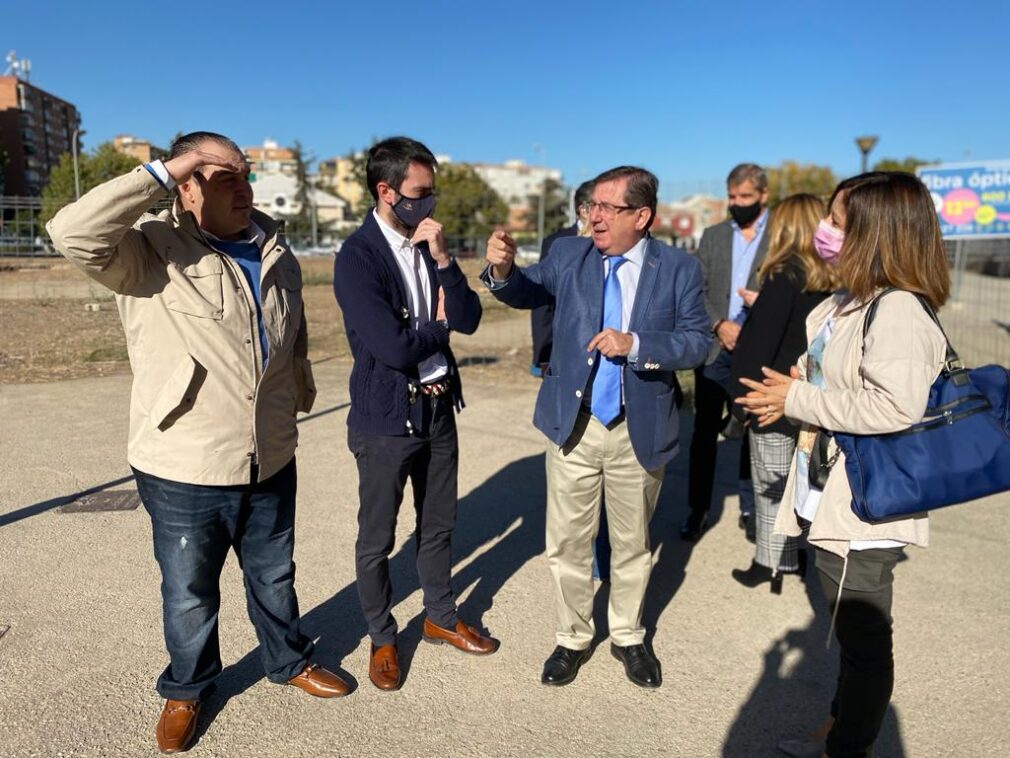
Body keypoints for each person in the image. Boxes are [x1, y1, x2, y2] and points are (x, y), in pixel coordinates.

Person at [46, 132, 348, 754]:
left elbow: (291, 343)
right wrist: (165, 170)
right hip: (185, 460)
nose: (243, 187)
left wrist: (294, 406)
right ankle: (187, 689)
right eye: (222, 176)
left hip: (270, 454)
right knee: (189, 591)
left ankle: (288, 660)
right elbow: (70, 232)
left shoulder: (275, 249)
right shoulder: (150, 249)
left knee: (274, 575)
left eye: (245, 175)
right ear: (183, 183)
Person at [736, 172, 950, 758]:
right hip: (827, 486)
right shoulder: (849, 300)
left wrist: (795, 398)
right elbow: (836, 374)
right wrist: (799, 380)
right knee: (844, 630)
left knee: (862, 642)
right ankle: (837, 727)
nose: (824, 231)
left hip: (867, 501)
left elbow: (895, 406)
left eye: (837, 220)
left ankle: (847, 747)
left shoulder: (900, 309)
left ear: (876, 232)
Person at [483, 166, 710, 688]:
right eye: (592, 207)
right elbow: (525, 290)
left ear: (643, 216)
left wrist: (637, 345)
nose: (595, 216)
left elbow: (699, 343)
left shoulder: (678, 268)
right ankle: (573, 637)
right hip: (574, 426)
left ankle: (629, 636)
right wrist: (502, 271)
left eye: (608, 208)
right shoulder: (570, 255)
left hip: (640, 427)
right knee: (566, 542)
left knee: (632, 544)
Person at [332, 136, 495, 693]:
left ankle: (440, 617)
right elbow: (394, 347)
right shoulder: (358, 257)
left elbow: (470, 317)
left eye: (432, 192)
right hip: (385, 420)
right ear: (386, 191)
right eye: (419, 194)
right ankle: (382, 636)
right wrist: (437, 328)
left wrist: (446, 262)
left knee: (440, 524)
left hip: (438, 409)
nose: (429, 203)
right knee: (377, 537)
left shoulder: (430, 245)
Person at [728, 194, 836, 593]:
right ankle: (793, 555)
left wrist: (742, 402)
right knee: (802, 484)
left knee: (771, 485)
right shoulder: (830, 278)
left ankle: (771, 563)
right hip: (809, 397)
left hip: (770, 397)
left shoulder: (784, 274)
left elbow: (759, 346)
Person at [682, 163, 770, 541]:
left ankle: (752, 508)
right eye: (732, 197)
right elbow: (697, 290)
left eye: (745, 197)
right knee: (704, 432)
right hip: (716, 347)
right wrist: (719, 324)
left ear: (763, 196)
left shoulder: (781, 237)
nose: (737, 204)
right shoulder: (714, 236)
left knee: (754, 431)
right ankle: (697, 509)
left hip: (759, 349)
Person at [530, 180, 594, 377]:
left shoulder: (617, 243)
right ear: (583, 210)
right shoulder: (557, 243)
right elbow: (543, 302)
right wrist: (542, 353)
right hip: (566, 347)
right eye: (601, 205)